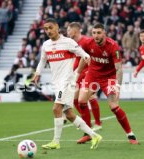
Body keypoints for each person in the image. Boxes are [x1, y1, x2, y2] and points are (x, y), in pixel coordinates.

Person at [33, 18, 102, 150]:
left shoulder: (68, 42)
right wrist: (37, 73)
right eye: (46, 29)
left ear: (57, 27)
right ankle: (94, 135)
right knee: (69, 114)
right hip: (57, 83)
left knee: (56, 109)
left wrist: (87, 65)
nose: (48, 31)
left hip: (67, 82)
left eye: (50, 28)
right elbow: (42, 61)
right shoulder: (46, 45)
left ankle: (56, 141)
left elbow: (84, 55)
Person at [76, 23, 139, 145]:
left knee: (114, 106)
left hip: (109, 78)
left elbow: (119, 69)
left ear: (104, 33)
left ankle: (130, 134)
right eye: (94, 33)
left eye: (99, 33)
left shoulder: (113, 46)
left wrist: (118, 86)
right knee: (81, 101)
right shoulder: (88, 43)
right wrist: (77, 74)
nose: (96, 35)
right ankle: (88, 133)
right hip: (93, 75)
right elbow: (84, 58)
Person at [67, 22, 102, 144]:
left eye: (68, 30)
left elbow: (90, 59)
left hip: (88, 75)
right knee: (76, 100)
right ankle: (87, 126)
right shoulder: (73, 44)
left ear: (75, 31)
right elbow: (77, 60)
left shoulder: (86, 42)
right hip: (79, 75)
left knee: (83, 99)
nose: (67, 32)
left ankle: (90, 128)